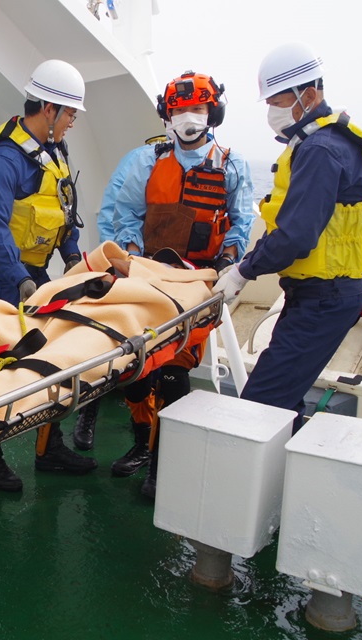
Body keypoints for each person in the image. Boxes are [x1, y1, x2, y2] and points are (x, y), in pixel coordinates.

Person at [214, 43, 362, 434]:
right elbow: (288, 223)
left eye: (278, 101)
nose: (272, 111)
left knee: (261, 404)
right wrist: (248, 264)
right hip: (319, 294)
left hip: (325, 298)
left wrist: (242, 272)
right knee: (284, 395)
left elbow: (296, 235)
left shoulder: (320, 149)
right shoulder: (322, 141)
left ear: (309, 95)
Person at [111, 70, 254, 497]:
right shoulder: (147, 163)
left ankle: (163, 465)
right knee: (135, 370)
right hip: (150, 280)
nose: (188, 117)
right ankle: (142, 442)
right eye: (179, 110)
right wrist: (133, 253)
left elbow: (241, 223)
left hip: (197, 285)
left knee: (175, 371)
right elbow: (126, 214)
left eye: (197, 108)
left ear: (213, 113)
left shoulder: (232, 166)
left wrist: (228, 263)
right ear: (166, 116)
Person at [0, 59, 98, 492]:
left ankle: (48, 448)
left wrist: (73, 259)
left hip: (32, 273)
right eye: (70, 112)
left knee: (50, 359)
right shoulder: (3, 159)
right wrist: (20, 278)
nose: (73, 121)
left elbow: (62, 212)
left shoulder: (53, 153)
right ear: (48, 108)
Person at [72, 136, 167, 452]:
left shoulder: (192, 166)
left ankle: (145, 432)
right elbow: (113, 212)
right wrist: (121, 262)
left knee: (153, 352)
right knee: (102, 341)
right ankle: (88, 413)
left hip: (160, 274)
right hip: (125, 268)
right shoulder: (140, 162)